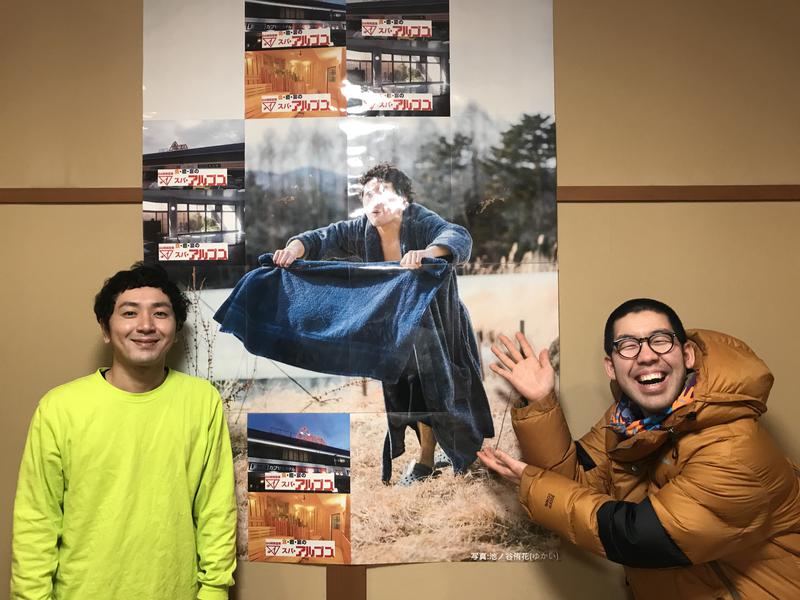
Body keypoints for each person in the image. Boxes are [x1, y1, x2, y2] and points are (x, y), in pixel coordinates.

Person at [479, 298, 800, 599]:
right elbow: (571, 482)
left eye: (660, 340)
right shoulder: (627, 422)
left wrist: (532, 486)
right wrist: (540, 402)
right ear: (611, 366)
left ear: (686, 355)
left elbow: (636, 537)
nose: (646, 356)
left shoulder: (735, 450)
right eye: (628, 346)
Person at [11, 263, 236, 600]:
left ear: (175, 331)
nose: (145, 325)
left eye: (160, 313)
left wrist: (215, 591)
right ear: (106, 329)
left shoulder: (202, 401)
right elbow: (36, 520)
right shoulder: (59, 407)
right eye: (129, 313)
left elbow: (216, 510)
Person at [273, 163, 494, 484]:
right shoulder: (360, 230)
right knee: (411, 392)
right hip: (399, 329)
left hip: (442, 324)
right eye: (367, 194)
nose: (374, 200)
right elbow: (322, 237)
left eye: (383, 192)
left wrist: (428, 252)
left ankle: (456, 456)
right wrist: (295, 247)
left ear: (403, 199)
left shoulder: (419, 220)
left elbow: (457, 235)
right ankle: (427, 460)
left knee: (451, 387)